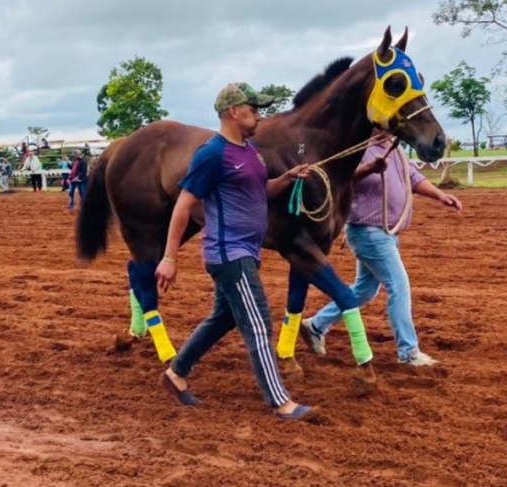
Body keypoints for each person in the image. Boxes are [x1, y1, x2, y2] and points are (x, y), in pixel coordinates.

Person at [155, 82, 316, 421]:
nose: (259, 115)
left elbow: (261, 190)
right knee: (258, 322)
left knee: (223, 318)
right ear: (233, 112)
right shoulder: (212, 154)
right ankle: (279, 401)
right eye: (254, 110)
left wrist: (286, 178)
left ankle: (176, 373)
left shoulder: (250, 151)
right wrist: (170, 258)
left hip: (245, 251)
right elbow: (184, 204)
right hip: (229, 254)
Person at [299, 128, 463, 366]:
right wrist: (368, 168)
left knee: (364, 290)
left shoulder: (393, 148)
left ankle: (315, 325)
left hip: (384, 232)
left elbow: (414, 178)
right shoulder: (357, 148)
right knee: (399, 286)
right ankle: (408, 352)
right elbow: (340, 181)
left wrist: (439, 195)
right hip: (369, 232)